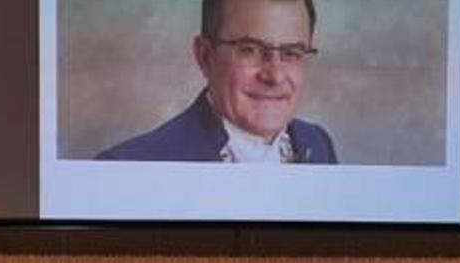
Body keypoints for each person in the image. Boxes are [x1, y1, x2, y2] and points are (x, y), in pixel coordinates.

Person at [96, 0, 337, 164]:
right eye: (250, 50)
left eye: (292, 53)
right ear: (205, 56)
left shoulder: (317, 143)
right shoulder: (130, 165)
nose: (274, 76)